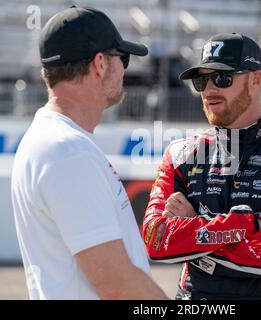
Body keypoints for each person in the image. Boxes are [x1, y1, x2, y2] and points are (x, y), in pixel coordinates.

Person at [143, 33, 261, 299]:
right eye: (202, 80)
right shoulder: (181, 154)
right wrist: (245, 225)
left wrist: (191, 229)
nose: (209, 90)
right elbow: (155, 240)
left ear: (256, 80)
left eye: (223, 78)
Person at [11, 6, 167, 300]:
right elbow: (116, 284)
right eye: (122, 58)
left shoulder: (50, 140)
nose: (124, 69)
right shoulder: (68, 151)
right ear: (99, 64)